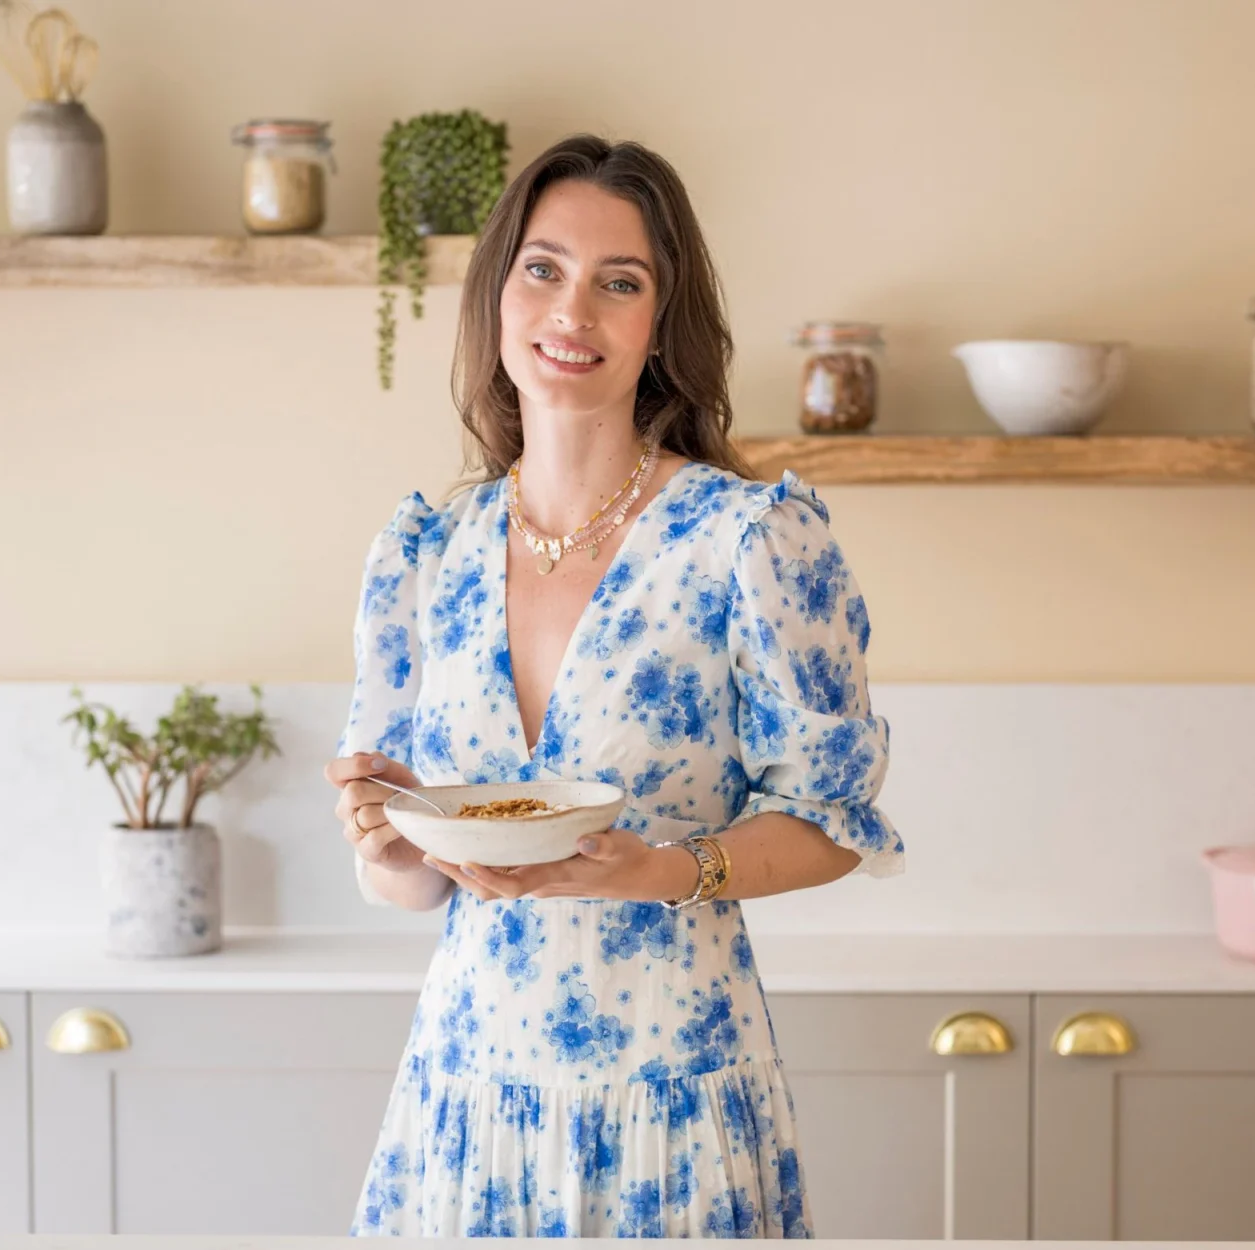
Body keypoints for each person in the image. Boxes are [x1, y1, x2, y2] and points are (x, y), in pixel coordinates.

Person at [324, 133, 901, 1239]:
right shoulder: (424, 554)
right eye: (541, 269)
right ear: (497, 294)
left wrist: (664, 869)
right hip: (469, 1100)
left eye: (617, 283)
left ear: (659, 325)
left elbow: (834, 824)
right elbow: (408, 888)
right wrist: (384, 837)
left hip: (671, 1104)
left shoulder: (749, 541)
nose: (571, 312)